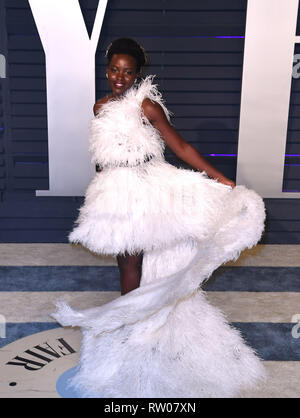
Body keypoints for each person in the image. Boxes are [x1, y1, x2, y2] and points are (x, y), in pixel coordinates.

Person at [52, 38, 266, 398]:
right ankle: (130, 318)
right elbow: (103, 151)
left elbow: (180, 146)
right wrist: (103, 183)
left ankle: (136, 322)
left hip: (149, 185)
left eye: (127, 71)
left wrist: (221, 179)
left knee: (140, 257)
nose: (120, 77)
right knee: (126, 260)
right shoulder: (100, 105)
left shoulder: (146, 106)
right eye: (114, 70)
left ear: (136, 75)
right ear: (107, 71)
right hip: (116, 190)